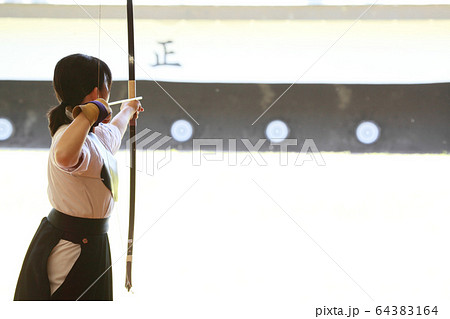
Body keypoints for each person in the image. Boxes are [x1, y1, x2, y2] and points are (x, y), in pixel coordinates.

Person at [14, 53, 143, 301]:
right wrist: (89, 114)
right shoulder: (67, 133)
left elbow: (112, 135)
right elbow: (63, 156)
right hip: (71, 246)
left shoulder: (92, 134)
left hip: (91, 242)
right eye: (108, 89)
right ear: (97, 93)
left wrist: (127, 110)